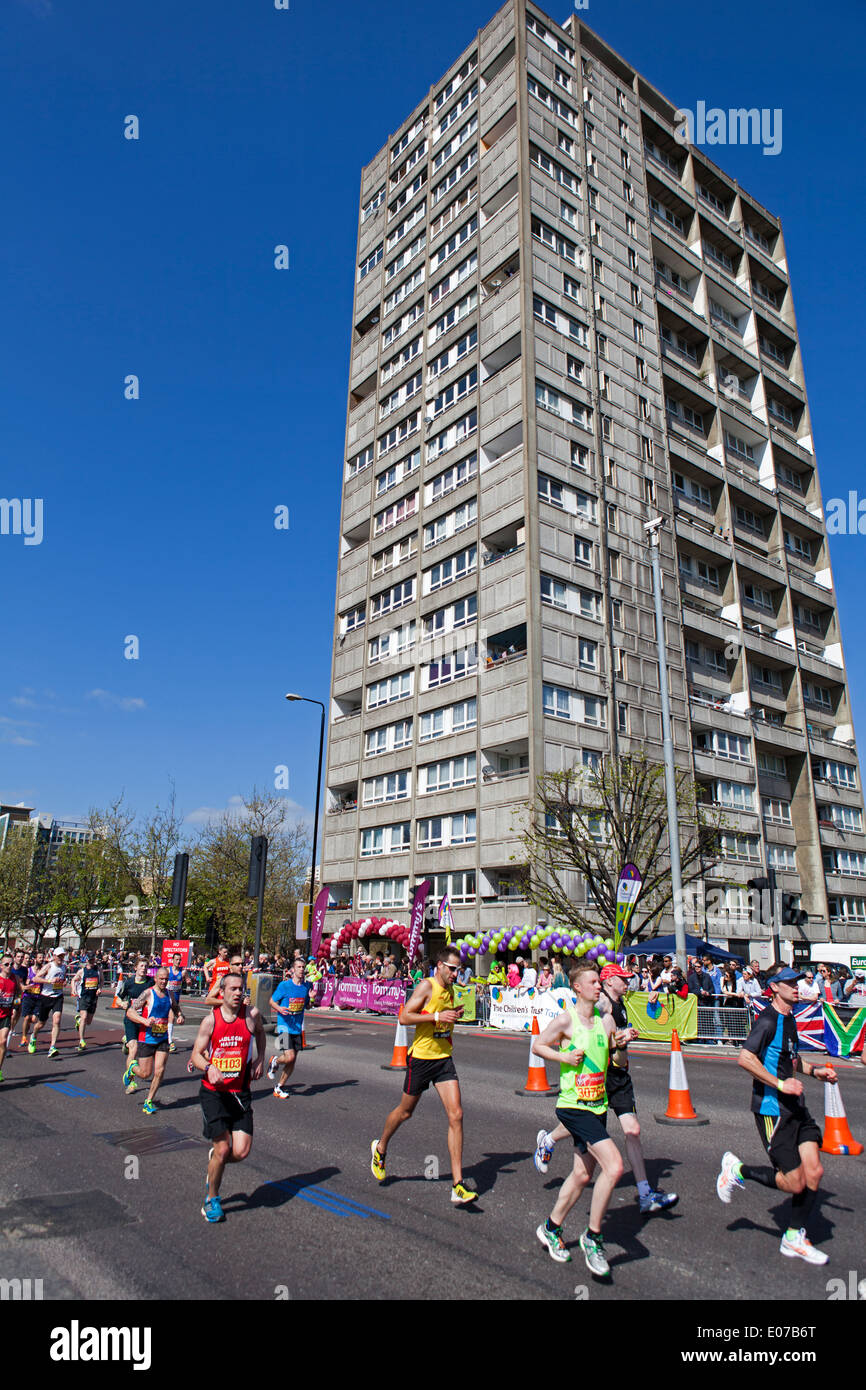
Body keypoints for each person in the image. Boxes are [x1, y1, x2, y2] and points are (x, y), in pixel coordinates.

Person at [716, 965, 839, 1264]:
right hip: (773, 1110)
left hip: (796, 1107)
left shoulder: (790, 1019)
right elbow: (745, 1058)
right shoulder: (767, 1021)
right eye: (789, 983)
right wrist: (781, 1083)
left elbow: (791, 1060)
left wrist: (815, 1071)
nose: (796, 986)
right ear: (774, 988)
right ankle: (737, 1170)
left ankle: (793, 1237)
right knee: (795, 1182)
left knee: (815, 1172)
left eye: (797, 981)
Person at [534, 962, 677, 1216]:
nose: (627, 982)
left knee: (630, 1131)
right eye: (621, 978)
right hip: (592, 1080)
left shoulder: (616, 1009)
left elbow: (614, 1049)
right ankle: (548, 1141)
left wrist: (621, 1043)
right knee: (597, 1161)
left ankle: (644, 1194)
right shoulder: (600, 1005)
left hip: (615, 1076)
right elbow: (581, 1021)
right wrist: (566, 1055)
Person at [532, 962, 621, 1274]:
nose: (599, 986)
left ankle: (551, 1228)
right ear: (578, 988)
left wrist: (621, 1044)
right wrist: (563, 1057)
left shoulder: (605, 1021)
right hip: (573, 1106)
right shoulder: (566, 1021)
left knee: (582, 1175)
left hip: (598, 1105)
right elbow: (538, 1045)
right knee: (614, 1166)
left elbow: (616, 1058)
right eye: (594, 982)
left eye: (600, 982)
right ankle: (593, 1237)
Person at [370, 946, 477, 1205]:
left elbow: (440, 1020)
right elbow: (405, 1016)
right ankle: (381, 1146)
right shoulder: (427, 986)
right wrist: (438, 1015)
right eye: (452, 969)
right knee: (406, 1112)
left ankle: (458, 1184)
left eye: (458, 970)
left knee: (457, 1114)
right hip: (420, 1059)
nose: (456, 974)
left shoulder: (450, 988)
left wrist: (452, 1016)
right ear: (440, 966)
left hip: (443, 1059)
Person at [192, 971, 265, 1223]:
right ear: (221, 992)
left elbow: (261, 1034)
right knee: (223, 1148)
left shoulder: (251, 1016)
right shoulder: (210, 1021)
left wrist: (259, 1059)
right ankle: (212, 1199)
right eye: (232, 988)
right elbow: (196, 1054)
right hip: (214, 1093)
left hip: (240, 1092)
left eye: (241, 989)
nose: (237, 993)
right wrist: (209, 1067)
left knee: (241, 1152)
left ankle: (216, 1162)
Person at [122, 966, 183, 1114]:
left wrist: (180, 1015)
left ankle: (148, 1101)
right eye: (161, 979)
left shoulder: (170, 994)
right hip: (147, 1038)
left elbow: (175, 1007)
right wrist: (144, 1021)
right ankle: (132, 1068)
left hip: (162, 1038)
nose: (163, 982)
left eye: (166, 979)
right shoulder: (148, 993)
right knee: (145, 1074)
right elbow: (130, 1012)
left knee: (160, 1070)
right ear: (155, 979)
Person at [267, 957, 311, 1099]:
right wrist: (280, 1008)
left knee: (293, 1060)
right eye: (299, 967)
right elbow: (271, 1001)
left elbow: (306, 1006)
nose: (301, 970)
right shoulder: (284, 986)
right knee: (289, 1056)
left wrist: (312, 999)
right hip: (284, 1026)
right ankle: (275, 1060)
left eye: (303, 967)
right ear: (293, 970)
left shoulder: (306, 987)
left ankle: (279, 1087)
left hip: (297, 1028)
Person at [117, 958, 150, 1079]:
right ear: (135, 968)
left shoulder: (150, 983)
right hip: (131, 1019)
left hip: (144, 1021)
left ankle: (127, 1042)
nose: (143, 968)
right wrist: (122, 1004)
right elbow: (119, 998)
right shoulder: (129, 983)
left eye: (146, 966)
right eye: (141, 966)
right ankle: (130, 1079)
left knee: (143, 1050)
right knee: (134, 1049)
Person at [32, 947, 68, 1058]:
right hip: (46, 996)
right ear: (54, 956)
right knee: (41, 1023)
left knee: (57, 1020)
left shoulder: (64, 967)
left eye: (63, 956)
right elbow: (35, 979)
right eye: (59, 956)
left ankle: (52, 1047)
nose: (61, 958)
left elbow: (63, 978)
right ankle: (33, 1037)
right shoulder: (48, 966)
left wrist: (64, 982)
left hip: (58, 996)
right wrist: (48, 981)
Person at [72, 952, 102, 1053]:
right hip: (83, 997)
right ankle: (81, 1040)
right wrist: (73, 989)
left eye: (93, 960)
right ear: (86, 960)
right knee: (84, 1017)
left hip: (93, 998)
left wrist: (99, 988)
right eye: (90, 960)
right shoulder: (82, 971)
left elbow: (101, 980)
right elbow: (73, 980)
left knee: (88, 1022)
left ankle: (79, 1021)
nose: (92, 962)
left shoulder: (98, 970)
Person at [0, 952, 22, 1082]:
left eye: (11, 964)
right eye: (6, 964)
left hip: (6, 1014)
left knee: (2, 1041)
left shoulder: (15, 978)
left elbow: (19, 992)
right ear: (1, 966)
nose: (9, 966)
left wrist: (16, 1004)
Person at [166, 952, 189, 1052]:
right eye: (176, 959)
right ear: (172, 960)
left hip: (176, 998)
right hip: (167, 997)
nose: (178, 961)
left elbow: (188, 980)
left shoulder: (183, 972)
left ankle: (166, 1039)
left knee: (170, 1018)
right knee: (170, 1017)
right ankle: (170, 1042)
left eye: (179, 960)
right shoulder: (167, 970)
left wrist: (188, 981)